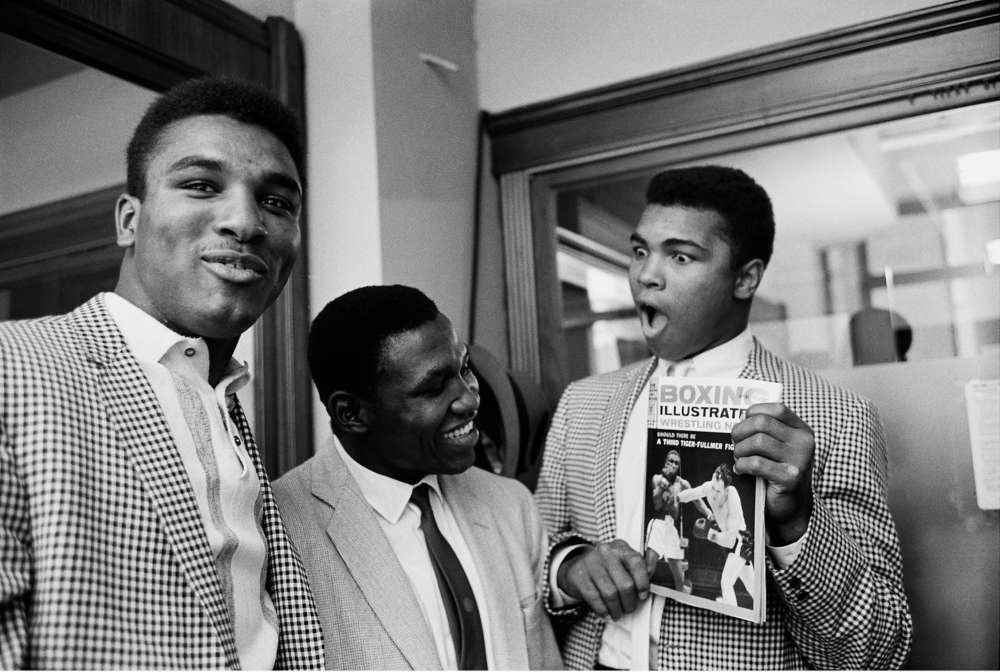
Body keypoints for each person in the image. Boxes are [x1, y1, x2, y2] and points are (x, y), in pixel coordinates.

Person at [0, 77, 323, 669]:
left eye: (278, 202)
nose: (245, 221)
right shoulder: (12, 368)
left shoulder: (221, 400)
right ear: (129, 219)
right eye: (201, 185)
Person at [535, 165, 912, 669]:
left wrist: (797, 520)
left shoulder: (838, 416)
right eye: (641, 251)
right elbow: (530, 554)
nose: (646, 274)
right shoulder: (581, 404)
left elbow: (876, 650)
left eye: (681, 255)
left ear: (746, 277)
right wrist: (570, 567)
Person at [272, 285, 563, 670]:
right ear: (351, 414)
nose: (470, 399)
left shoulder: (511, 503)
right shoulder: (279, 531)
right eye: (433, 388)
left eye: (464, 369)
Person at [678, 463, 755, 607]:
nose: (713, 493)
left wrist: (709, 534)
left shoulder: (732, 497)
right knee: (752, 587)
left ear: (725, 489)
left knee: (726, 583)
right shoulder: (709, 487)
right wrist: (675, 498)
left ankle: (733, 618)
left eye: (718, 490)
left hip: (740, 540)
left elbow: (731, 539)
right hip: (732, 544)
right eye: (713, 488)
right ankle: (764, 608)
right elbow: (692, 494)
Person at [643, 450, 694, 592]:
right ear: (665, 462)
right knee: (648, 570)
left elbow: (696, 498)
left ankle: (683, 601)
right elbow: (657, 503)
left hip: (671, 528)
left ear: (679, 466)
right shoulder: (657, 478)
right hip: (657, 525)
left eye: (676, 463)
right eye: (670, 461)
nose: (673, 464)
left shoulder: (683, 484)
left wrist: (709, 513)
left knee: (680, 579)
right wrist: (664, 483)